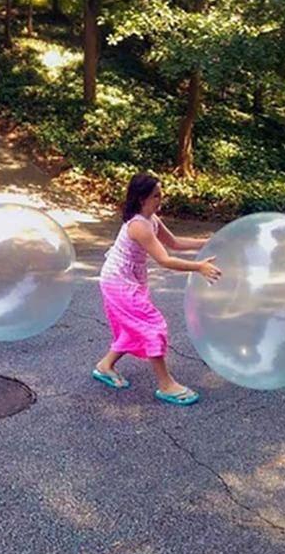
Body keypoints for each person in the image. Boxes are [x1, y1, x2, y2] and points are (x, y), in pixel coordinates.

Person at [92, 173, 221, 406]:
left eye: (161, 194)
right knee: (153, 326)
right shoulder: (138, 225)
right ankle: (166, 384)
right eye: (156, 196)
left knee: (134, 326)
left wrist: (209, 242)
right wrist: (199, 267)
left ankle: (105, 366)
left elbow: (175, 243)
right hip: (118, 282)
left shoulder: (151, 219)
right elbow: (165, 259)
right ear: (142, 198)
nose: (161, 199)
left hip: (131, 280)